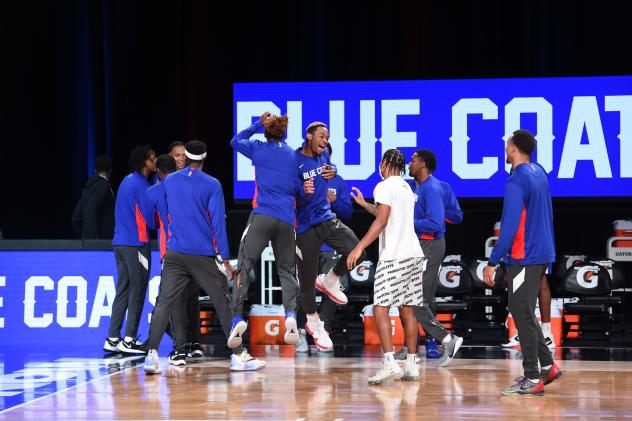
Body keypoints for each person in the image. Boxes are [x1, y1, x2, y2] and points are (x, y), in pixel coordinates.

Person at [144, 140, 265, 374]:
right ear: (205, 157)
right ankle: (238, 355)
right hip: (201, 254)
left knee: (163, 303)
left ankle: (151, 355)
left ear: (185, 157)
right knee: (222, 301)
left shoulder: (169, 181)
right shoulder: (212, 184)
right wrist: (226, 257)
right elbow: (218, 223)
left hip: (175, 253)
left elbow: (152, 200)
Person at [483, 129, 564, 395]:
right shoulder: (539, 171)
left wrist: (493, 261)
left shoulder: (517, 180)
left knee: (521, 311)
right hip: (541, 252)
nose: (505, 150)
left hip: (525, 255)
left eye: (507, 145)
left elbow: (509, 226)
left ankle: (532, 377)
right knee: (523, 311)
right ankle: (548, 366)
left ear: (515, 148)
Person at [346, 149, 424, 384]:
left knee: (380, 309)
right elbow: (385, 214)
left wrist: (359, 247)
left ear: (387, 164)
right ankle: (411, 365)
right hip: (413, 255)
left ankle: (390, 363)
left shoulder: (384, 186)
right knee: (407, 310)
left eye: (381, 162)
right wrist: (363, 204)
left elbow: (382, 221)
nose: (379, 167)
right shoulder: (405, 187)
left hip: (393, 258)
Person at [227, 112, 301, 348]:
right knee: (287, 270)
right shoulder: (293, 155)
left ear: (266, 132)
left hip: (262, 216)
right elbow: (299, 188)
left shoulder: (258, 149)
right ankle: (290, 315)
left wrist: (257, 123)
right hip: (286, 219)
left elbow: (235, 141)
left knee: (244, 266)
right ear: (285, 133)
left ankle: (237, 317)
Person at [295, 121, 365, 351]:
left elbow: (344, 208)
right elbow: (285, 191)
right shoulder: (293, 160)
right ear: (308, 136)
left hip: (327, 220)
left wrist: (332, 176)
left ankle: (330, 279)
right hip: (305, 227)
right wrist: (299, 189)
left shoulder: (325, 160)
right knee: (305, 285)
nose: (325, 141)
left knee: (359, 251)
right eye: (322, 136)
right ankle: (313, 325)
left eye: (327, 138)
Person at [399, 149, 463, 366]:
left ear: (423, 164)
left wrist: (409, 222)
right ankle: (413, 349)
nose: (410, 163)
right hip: (420, 244)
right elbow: (451, 216)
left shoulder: (433, 188)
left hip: (430, 244)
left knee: (418, 300)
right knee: (411, 299)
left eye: (413, 160)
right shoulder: (420, 187)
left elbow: (436, 224)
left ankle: (447, 339)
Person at [103, 146, 156, 354]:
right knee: (138, 289)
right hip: (136, 243)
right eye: (152, 158)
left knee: (123, 289)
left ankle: (113, 337)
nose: (155, 160)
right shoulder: (142, 185)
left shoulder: (127, 180)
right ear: (145, 162)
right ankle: (129, 339)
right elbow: (150, 219)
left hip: (120, 243)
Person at [72, 155, 115, 239]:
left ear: (94, 170)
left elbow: (76, 218)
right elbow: (90, 210)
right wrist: (94, 241)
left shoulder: (88, 188)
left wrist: (85, 238)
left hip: (92, 245)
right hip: (102, 244)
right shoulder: (104, 186)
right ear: (111, 170)